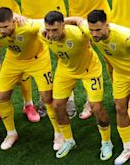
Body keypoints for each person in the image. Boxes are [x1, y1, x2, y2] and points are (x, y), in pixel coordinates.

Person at [71, 10, 130, 165]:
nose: (94, 34)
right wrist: (61, 21)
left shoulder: (124, 35)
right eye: (92, 30)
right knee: (120, 108)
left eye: (98, 30)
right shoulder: (89, 30)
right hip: (121, 74)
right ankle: (128, 148)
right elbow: (77, 20)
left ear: (107, 26)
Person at [10, 0, 76, 118]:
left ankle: (68, 98)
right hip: (30, 19)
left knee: (63, 56)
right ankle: (43, 97)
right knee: (36, 58)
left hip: (55, 16)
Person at [0, 7, 62, 151]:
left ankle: (58, 133)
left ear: (14, 22)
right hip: (13, 60)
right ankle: (11, 133)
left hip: (37, 60)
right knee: (2, 97)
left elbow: (52, 24)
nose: (1, 31)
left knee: (47, 98)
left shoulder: (28, 26)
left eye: (5, 27)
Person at [40, 11, 113, 160]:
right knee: (58, 106)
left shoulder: (79, 34)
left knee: (97, 107)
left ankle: (107, 142)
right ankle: (69, 140)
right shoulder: (44, 34)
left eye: (55, 30)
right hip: (65, 70)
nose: (51, 34)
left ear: (63, 26)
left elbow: (81, 21)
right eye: (48, 30)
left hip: (89, 70)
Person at [54, 0, 111, 120]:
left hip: (100, 19)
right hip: (76, 21)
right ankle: (85, 100)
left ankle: (128, 99)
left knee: (110, 58)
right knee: (75, 58)